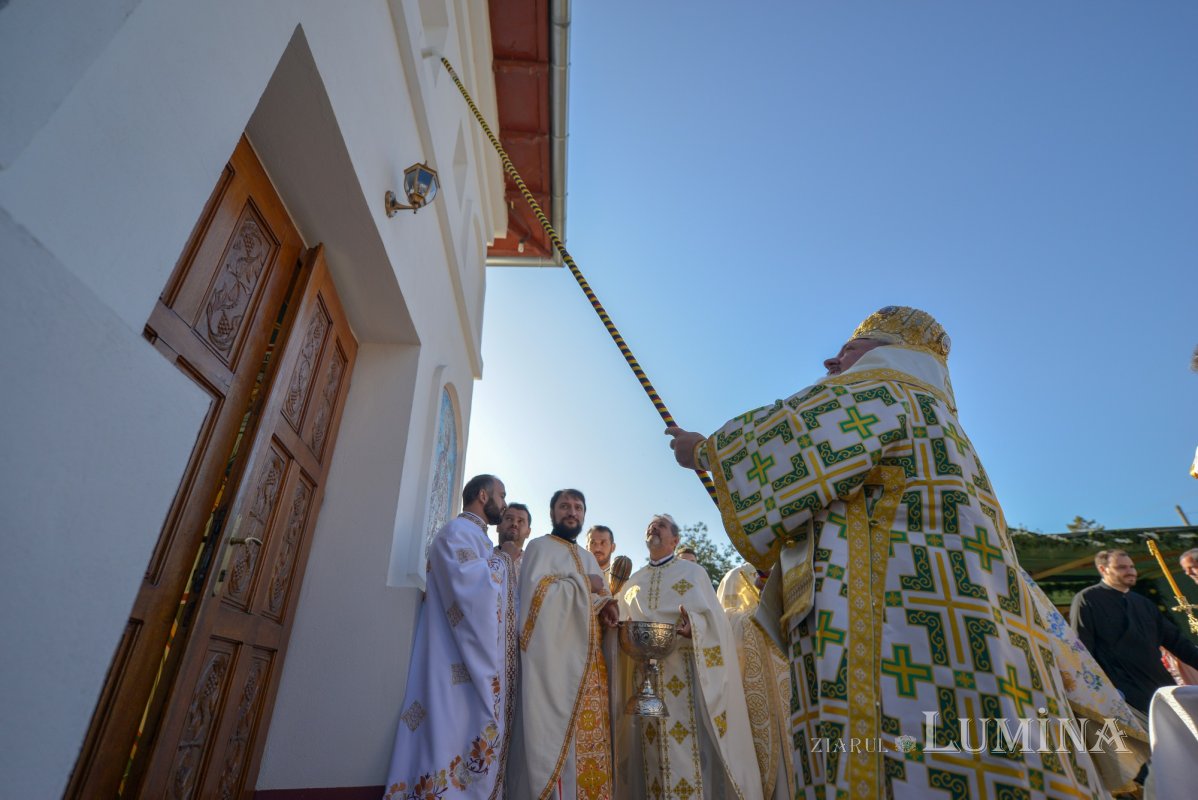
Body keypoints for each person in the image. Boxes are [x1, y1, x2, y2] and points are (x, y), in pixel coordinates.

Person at [664, 306, 1128, 798]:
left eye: (848, 350)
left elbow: (792, 438)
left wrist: (707, 450)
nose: (831, 362)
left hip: (889, 619)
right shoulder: (938, 418)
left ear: (890, 351)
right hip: (957, 626)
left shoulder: (884, 389)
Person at [384, 475, 520, 800]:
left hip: (464, 662)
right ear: (483, 495)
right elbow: (471, 590)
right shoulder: (457, 533)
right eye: (501, 495)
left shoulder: (480, 540)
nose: (504, 503)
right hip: (451, 662)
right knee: (447, 738)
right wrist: (505, 561)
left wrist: (500, 560)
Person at [612, 514, 762, 800]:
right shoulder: (633, 582)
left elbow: (716, 622)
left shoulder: (694, 574)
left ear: (675, 540)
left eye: (662, 525)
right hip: (643, 678)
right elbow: (620, 620)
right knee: (649, 753)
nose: (653, 527)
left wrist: (696, 627)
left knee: (686, 751)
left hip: (683, 672)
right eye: (650, 524)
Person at [507, 489, 619, 799]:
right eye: (564, 506)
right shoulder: (539, 548)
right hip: (554, 668)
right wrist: (586, 585)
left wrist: (607, 604)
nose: (572, 512)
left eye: (578, 507)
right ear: (553, 513)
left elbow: (597, 598)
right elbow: (533, 607)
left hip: (591, 669)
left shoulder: (586, 557)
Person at [1071, 549, 1198, 718]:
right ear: (1103, 569)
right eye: (1122, 567)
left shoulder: (1143, 603)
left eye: (1131, 566)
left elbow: (1177, 643)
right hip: (1123, 690)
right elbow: (1081, 649)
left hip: (1160, 688)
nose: (1131, 571)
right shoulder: (1087, 599)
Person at [717, 563, 795, 800]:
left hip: (792, 684)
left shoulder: (790, 566)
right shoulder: (734, 576)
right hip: (752, 689)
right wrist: (761, 614)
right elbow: (723, 624)